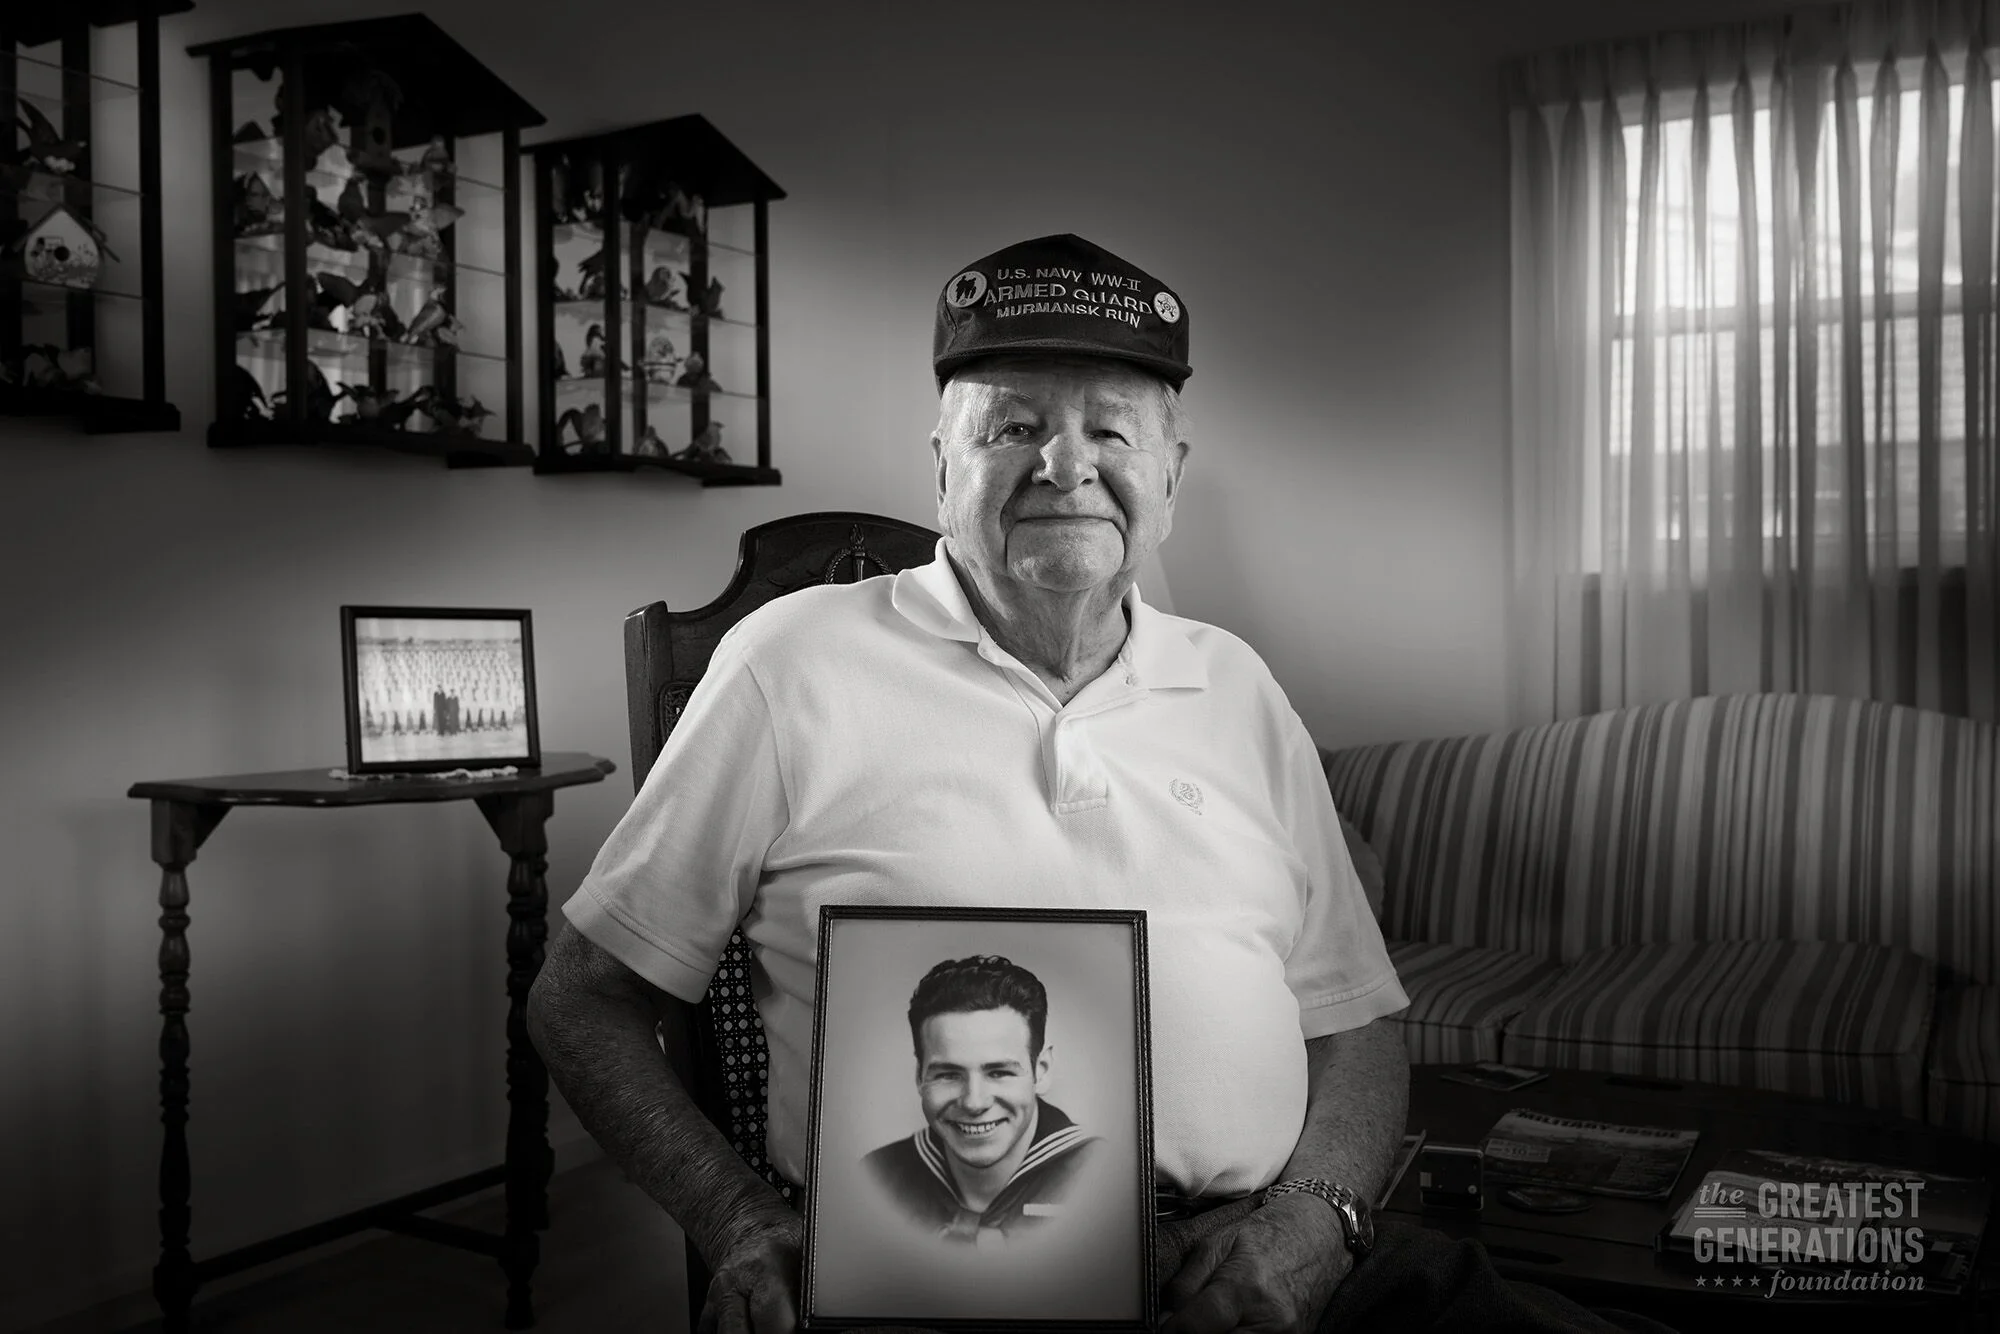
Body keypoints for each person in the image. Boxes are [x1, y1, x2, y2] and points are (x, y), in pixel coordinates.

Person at [527, 233, 1674, 1334]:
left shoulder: (1235, 683)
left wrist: (1314, 1218)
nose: (1063, 464)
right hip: (928, 1277)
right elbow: (580, 996)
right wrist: (738, 1220)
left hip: (1265, 1265)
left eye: (1110, 430)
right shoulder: (791, 661)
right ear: (941, 467)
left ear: (1168, 477)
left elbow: (1356, 1022)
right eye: (1012, 424)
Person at [862, 955, 1101, 1246]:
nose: (974, 1103)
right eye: (948, 1075)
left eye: (999, 1072)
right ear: (919, 1077)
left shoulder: (1105, 1179)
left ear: (1042, 1071)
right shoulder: (875, 1180)